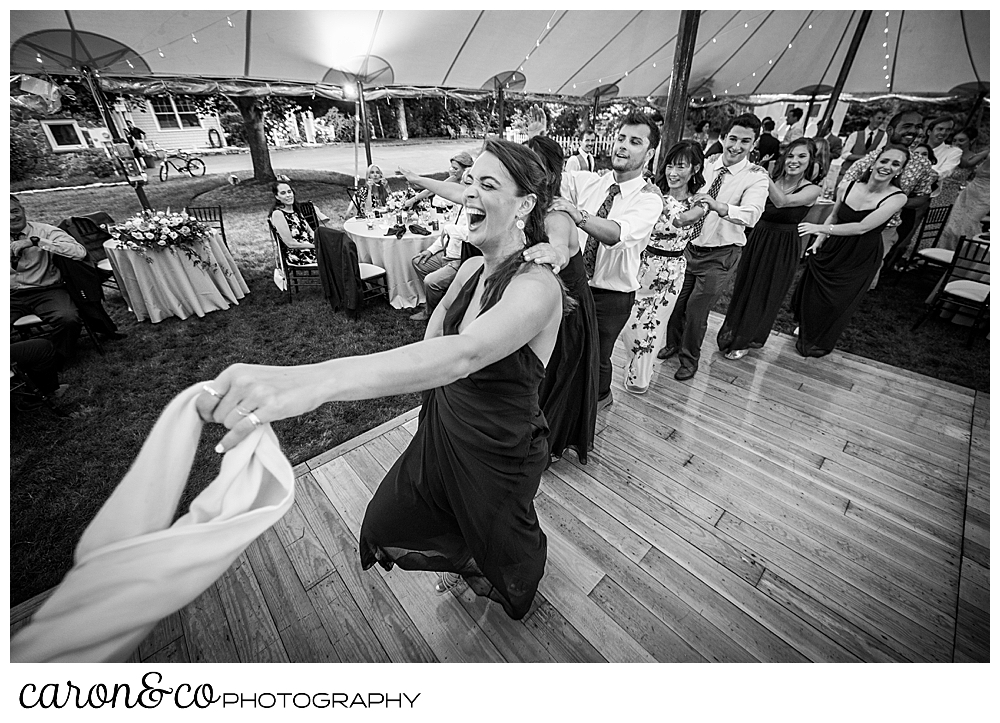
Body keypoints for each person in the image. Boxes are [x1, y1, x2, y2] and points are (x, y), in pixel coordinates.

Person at [197, 139, 567, 620]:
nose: (469, 193)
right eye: (469, 181)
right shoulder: (471, 268)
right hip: (445, 426)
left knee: (502, 533)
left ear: (526, 204)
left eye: (488, 185)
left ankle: (519, 585)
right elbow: (433, 345)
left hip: (501, 444)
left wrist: (319, 381)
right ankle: (461, 556)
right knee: (395, 516)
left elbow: (464, 354)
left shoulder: (537, 285)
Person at [535, 111, 664, 410]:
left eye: (634, 141)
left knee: (597, 357)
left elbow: (617, 233)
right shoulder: (589, 182)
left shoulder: (648, 199)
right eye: (621, 138)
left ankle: (601, 396)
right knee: (566, 355)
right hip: (576, 286)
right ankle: (569, 413)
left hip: (612, 296)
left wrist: (578, 214)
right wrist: (540, 142)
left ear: (650, 152)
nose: (623, 146)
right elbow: (545, 174)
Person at [657, 113, 769, 381]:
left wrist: (718, 206)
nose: (737, 146)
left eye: (746, 141)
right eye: (732, 138)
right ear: (723, 137)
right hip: (688, 248)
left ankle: (689, 359)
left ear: (753, 144)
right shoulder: (703, 166)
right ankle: (672, 344)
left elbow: (752, 215)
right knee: (675, 302)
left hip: (721, 255)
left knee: (697, 310)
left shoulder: (756, 177)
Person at [523, 134, 600, 464]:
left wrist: (553, 252)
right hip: (547, 307)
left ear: (550, 174)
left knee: (557, 380)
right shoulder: (529, 206)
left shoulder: (556, 215)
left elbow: (559, 250)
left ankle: (549, 447)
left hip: (569, 310)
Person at [792, 146, 908, 357]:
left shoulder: (897, 198)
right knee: (814, 293)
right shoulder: (847, 185)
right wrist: (819, 241)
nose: (887, 167)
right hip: (833, 246)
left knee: (839, 301)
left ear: (900, 171)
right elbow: (834, 216)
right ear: (874, 162)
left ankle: (820, 338)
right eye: (884, 161)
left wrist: (820, 228)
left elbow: (862, 227)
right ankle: (807, 327)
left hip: (861, 254)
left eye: (895, 164)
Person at [717, 138, 823, 360]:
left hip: (783, 245)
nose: (794, 161)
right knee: (744, 287)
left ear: (811, 161)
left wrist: (762, 174)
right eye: (791, 155)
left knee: (765, 292)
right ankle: (732, 332)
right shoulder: (772, 179)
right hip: (759, 238)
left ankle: (746, 339)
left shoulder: (812, 189)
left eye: (801, 156)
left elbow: (782, 202)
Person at [621, 141, 706, 394]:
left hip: (669, 272)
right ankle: (633, 367)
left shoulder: (699, 203)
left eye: (681, 166)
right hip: (641, 264)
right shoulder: (649, 193)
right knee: (629, 322)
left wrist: (658, 199)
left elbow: (682, 220)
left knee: (651, 326)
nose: (673, 172)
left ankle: (639, 379)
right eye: (670, 165)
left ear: (695, 169)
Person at [840, 109, 936, 285]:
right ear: (890, 130)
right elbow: (845, 186)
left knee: (866, 273)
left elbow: (923, 197)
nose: (913, 131)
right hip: (850, 222)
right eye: (907, 126)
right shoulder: (870, 158)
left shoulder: (922, 164)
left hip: (885, 229)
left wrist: (894, 203)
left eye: (917, 127)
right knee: (840, 266)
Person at [10, 194, 87, 366]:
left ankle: (57, 358)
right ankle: (16, 365)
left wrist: (37, 242)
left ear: (23, 210)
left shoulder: (44, 231)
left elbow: (79, 252)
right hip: (9, 295)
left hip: (46, 290)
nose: (12, 217)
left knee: (68, 318)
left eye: (15, 211)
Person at [406, 221, 468, 322]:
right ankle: (434, 302)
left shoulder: (476, 211)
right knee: (418, 262)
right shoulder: (460, 210)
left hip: (461, 259)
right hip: (447, 254)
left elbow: (469, 235)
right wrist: (430, 250)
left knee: (430, 281)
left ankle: (431, 313)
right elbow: (445, 236)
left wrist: (449, 228)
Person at [937, 150, 990, 252]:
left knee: (970, 222)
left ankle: (963, 254)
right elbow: (970, 162)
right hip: (972, 189)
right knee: (955, 220)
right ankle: (946, 250)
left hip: (986, 193)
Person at [269, 181, 331, 266]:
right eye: (283, 193)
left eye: (289, 191)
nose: (288, 195)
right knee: (335, 256)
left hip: (311, 246)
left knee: (338, 248)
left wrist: (319, 242)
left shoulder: (296, 210)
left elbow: (310, 231)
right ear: (277, 197)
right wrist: (315, 246)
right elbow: (290, 243)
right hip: (298, 253)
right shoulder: (278, 214)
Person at [402, 151, 474, 220]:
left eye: (455, 168)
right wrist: (413, 200)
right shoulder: (455, 178)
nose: (452, 170)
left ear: (466, 170)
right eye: (452, 167)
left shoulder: (472, 185)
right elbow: (432, 190)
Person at [840, 108, 888, 176]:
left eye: (883, 119)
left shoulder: (883, 136)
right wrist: (863, 157)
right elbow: (844, 154)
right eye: (879, 118)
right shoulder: (855, 135)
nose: (880, 121)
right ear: (871, 118)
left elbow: (877, 155)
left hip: (864, 174)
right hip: (847, 171)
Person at [924, 115, 962, 185]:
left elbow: (945, 171)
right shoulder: (915, 147)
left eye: (948, 130)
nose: (943, 133)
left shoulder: (954, 152)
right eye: (940, 129)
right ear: (929, 132)